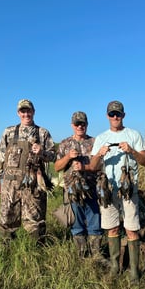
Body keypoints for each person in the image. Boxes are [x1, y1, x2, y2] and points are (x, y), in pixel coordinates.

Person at [90, 101, 145, 282]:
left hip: (129, 189)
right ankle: (115, 267)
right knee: (112, 228)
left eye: (118, 114)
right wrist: (99, 154)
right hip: (108, 190)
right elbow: (92, 167)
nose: (115, 117)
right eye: (112, 114)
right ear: (107, 116)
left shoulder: (133, 135)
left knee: (131, 229)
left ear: (123, 115)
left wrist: (131, 151)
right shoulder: (101, 138)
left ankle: (134, 271)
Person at [0, 99, 56, 245]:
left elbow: (53, 156)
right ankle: (7, 251)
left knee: (35, 219)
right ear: (18, 113)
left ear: (33, 112)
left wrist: (42, 152)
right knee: (7, 217)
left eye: (28, 111)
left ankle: (37, 251)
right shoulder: (9, 132)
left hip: (34, 183)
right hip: (10, 184)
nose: (26, 114)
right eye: (23, 111)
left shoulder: (43, 133)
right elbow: (0, 155)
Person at [54, 111, 104, 261]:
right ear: (72, 125)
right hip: (72, 190)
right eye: (77, 124)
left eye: (83, 123)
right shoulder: (64, 144)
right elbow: (57, 167)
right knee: (77, 224)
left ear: (87, 125)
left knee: (95, 222)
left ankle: (96, 254)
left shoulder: (95, 142)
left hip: (92, 189)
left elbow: (101, 165)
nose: (80, 126)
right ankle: (82, 256)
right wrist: (68, 157)